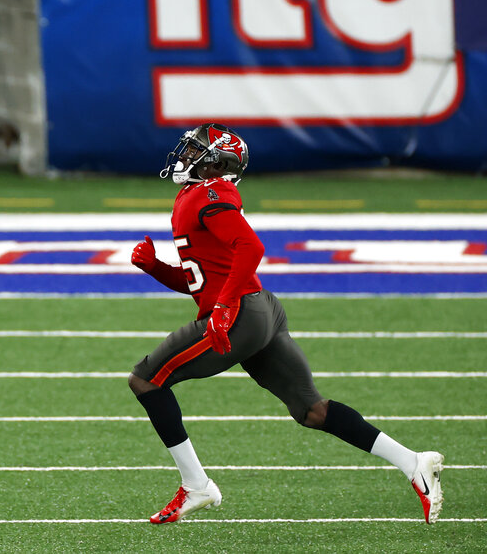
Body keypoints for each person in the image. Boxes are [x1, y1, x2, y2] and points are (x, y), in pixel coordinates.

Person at [127, 123, 444, 523]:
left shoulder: (210, 192)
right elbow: (202, 280)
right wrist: (156, 268)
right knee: (313, 411)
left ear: (215, 162)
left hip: (242, 311)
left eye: (196, 151)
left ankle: (196, 486)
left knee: (146, 380)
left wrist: (224, 308)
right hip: (258, 308)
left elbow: (251, 247)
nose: (186, 156)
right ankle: (414, 462)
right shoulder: (195, 194)